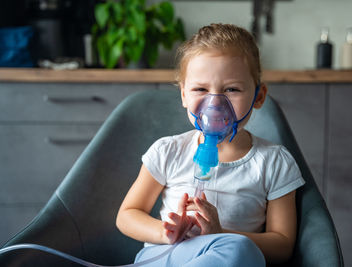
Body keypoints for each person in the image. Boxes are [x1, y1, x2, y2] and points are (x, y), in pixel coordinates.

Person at [116, 23, 305, 266]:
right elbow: (127, 215)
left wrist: (220, 234)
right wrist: (165, 232)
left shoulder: (274, 162)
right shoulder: (169, 152)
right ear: (184, 94)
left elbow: (282, 246)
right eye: (200, 89)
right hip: (166, 256)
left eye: (232, 89)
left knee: (239, 250)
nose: (214, 104)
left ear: (258, 96)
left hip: (229, 257)